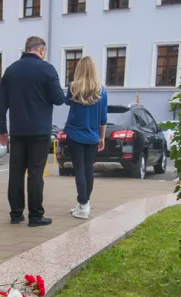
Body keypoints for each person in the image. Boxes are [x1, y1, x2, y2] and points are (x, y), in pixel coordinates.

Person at [0, 36, 66, 227]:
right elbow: (59, 99)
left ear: (26, 49)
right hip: (39, 132)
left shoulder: (11, 71)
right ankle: (35, 216)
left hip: (17, 132)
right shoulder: (47, 69)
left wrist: (3, 130)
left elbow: (2, 104)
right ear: (41, 50)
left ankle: (16, 214)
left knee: (16, 172)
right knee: (35, 173)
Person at [63, 56, 107, 220]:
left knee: (79, 169)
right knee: (88, 169)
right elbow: (103, 117)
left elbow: (66, 102)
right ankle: (84, 203)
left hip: (74, 134)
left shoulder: (73, 87)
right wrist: (102, 137)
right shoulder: (101, 91)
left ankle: (83, 205)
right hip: (92, 136)